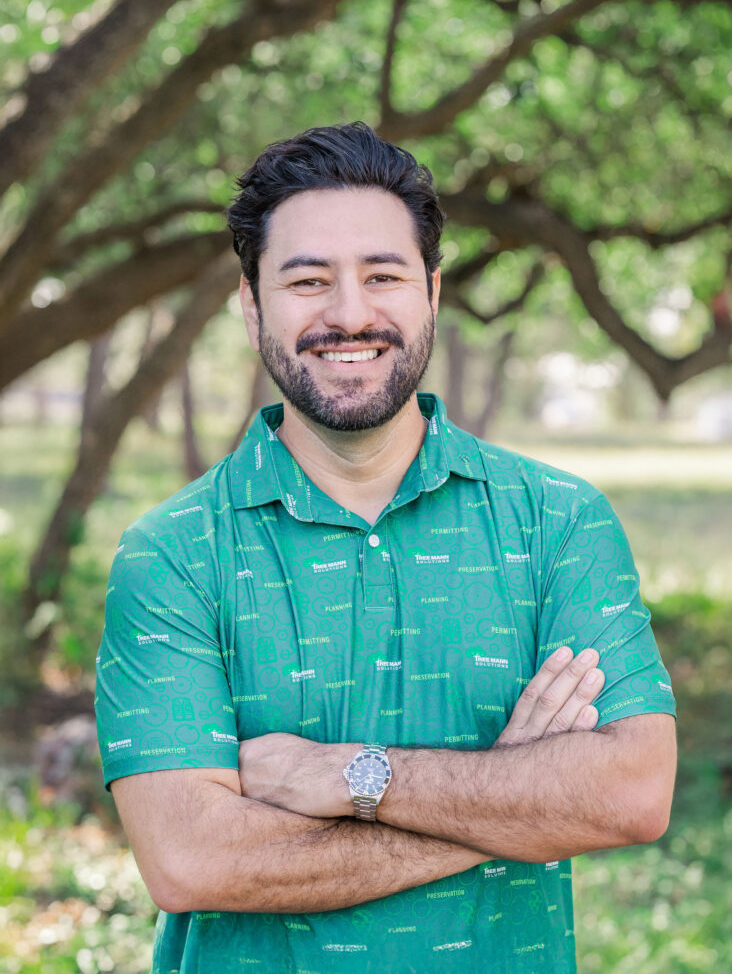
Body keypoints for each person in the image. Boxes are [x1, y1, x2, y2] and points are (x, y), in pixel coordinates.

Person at [95, 121, 677, 974]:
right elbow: (192, 862)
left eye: (383, 274)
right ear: (252, 302)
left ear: (432, 293)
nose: (349, 313)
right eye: (306, 280)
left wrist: (352, 778)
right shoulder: (175, 555)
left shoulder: (558, 522)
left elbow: (630, 794)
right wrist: (513, 802)